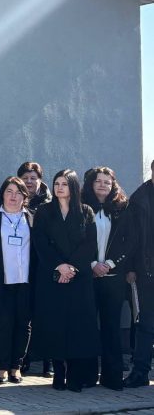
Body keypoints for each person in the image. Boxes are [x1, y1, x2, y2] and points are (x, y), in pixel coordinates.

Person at [31, 169, 99, 392]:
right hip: (52, 277)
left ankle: (75, 374)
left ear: (73, 187)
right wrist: (59, 266)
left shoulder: (86, 211)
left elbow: (90, 244)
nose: (59, 188)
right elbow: (40, 242)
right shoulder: (44, 211)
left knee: (78, 326)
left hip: (78, 279)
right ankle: (58, 372)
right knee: (55, 324)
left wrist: (71, 267)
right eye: (56, 183)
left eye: (64, 184)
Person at [80, 167, 131, 390]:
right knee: (88, 327)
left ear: (113, 185)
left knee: (112, 328)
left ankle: (112, 377)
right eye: (98, 181)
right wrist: (92, 264)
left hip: (113, 278)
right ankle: (87, 375)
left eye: (107, 182)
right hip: (88, 277)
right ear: (91, 184)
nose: (102, 185)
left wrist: (110, 264)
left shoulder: (122, 210)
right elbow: (76, 241)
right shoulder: (81, 208)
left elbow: (130, 242)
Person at [0, 177, 34, 385]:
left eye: (18, 192)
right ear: (2, 194)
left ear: (24, 196)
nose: (13, 196)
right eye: (9, 191)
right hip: (1, 281)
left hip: (26, 281)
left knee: (24, 324)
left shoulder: (32, 218)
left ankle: (16, 366)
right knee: (3, 324)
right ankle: (2, 367)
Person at [17, 161, 53, 377]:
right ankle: (24, 358)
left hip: (45, 264)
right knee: (25, 314)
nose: (29, 182)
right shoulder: (14, 200)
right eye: (25, 178)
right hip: (23, 265)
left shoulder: (50, 203)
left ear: (40, 180)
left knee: (47, 314)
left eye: (33, 178)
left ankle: (49, 362)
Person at [123, 160, 154, 388]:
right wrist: (131, 267)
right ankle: (140, 372)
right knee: (146, 323)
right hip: (147, 270)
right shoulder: (139, 199)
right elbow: (131, 239)